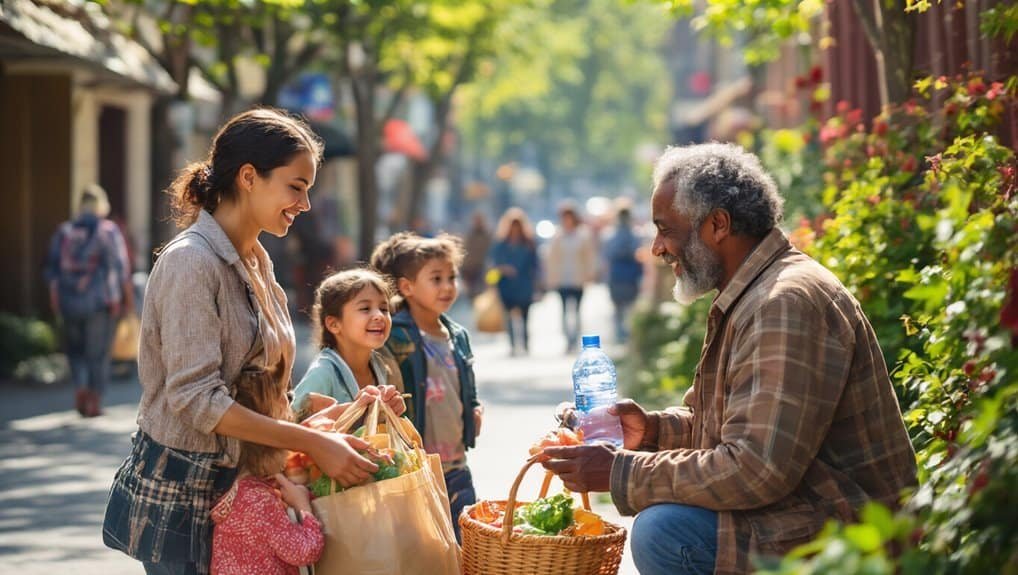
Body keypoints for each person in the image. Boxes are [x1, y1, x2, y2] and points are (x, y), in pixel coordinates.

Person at [541, 143, 918, 575]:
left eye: (666, 230)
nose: (657, 248)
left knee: (664, 531)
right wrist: (651, 432)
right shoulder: (754, 292)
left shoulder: (784, 302)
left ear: (717, 224)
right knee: (666, 522)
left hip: (853, 538)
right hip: (807, 516)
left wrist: (620, 472)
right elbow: (725, 430)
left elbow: (756, 468)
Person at [102, 108, 386, 575]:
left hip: (247, 493)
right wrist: (310, 443)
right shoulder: (191, 262)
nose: (306, 204)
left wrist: (327, 419)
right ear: (249, 177)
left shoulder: (256, 259)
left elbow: (257, 385)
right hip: (185, 499)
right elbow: (197, 400)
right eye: (296, 187)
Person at [370, 232, 483, 542]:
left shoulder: (457, 334)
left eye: (452, 277)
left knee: (466, 545)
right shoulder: (395, 335)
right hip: (415, 468)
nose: (448, 286)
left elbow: (466, 385)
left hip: (457, 465)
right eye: (436, 278)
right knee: (425, 548)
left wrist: (474, 407)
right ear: (406, 287)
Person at [210, 353, 325, 575]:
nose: (289, 399)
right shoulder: (259, 500)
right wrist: (303, 506)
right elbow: (304, 551)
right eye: (283, 396)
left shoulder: (241, 490)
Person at [45, 184, 133, 417]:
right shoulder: (108, 231)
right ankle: (94, 400)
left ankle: (81, 387)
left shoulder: (64, 231)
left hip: (68, 301)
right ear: (101, 205)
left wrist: (55, 299)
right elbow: (119, 267)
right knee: (98, 353)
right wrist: (125, 299)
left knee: (75, 351)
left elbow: (52, 269)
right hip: (99, 303)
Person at [291, 268, 405, 420]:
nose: (379, 316)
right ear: (334, 324)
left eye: (384, 309)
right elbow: (293, 425)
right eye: (365, 308)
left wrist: (393, 410)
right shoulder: (323, 374)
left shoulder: (384, 368)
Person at [544, 201, 597, 352]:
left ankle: (575, 338)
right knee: (564, 311)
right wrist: (550, 278)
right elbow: (551, 258)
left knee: (577, 311)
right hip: (562, 279)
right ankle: (568, 339)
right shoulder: (558, 235)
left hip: (578, 279)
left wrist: (590, 274)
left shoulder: (582, 235)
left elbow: (589, 256)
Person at [489, 208, 540, 356]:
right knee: (508, 316)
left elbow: (535, 265)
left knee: (525, 316)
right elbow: (493, 264)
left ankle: (525, 343)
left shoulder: (529, 243)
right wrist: (503, 269)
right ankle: (512, 345)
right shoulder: (500, 244)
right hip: (506, 284)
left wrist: (538, 284)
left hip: (524, 284)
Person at [601, 201, 645, 344]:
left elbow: (607, 256)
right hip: (630, 276)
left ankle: (620, 336)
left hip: (617, 276)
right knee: (629, 308)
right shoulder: (636, 235)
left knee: (619, 309)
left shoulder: (610, 235)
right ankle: (628, 337)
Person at [461, 211, 493, 299]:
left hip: (483, 270)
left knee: (483, 295)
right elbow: (464, 254)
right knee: (472, 295)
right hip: (470, 271)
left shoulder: (488, 236)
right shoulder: (469, 236)